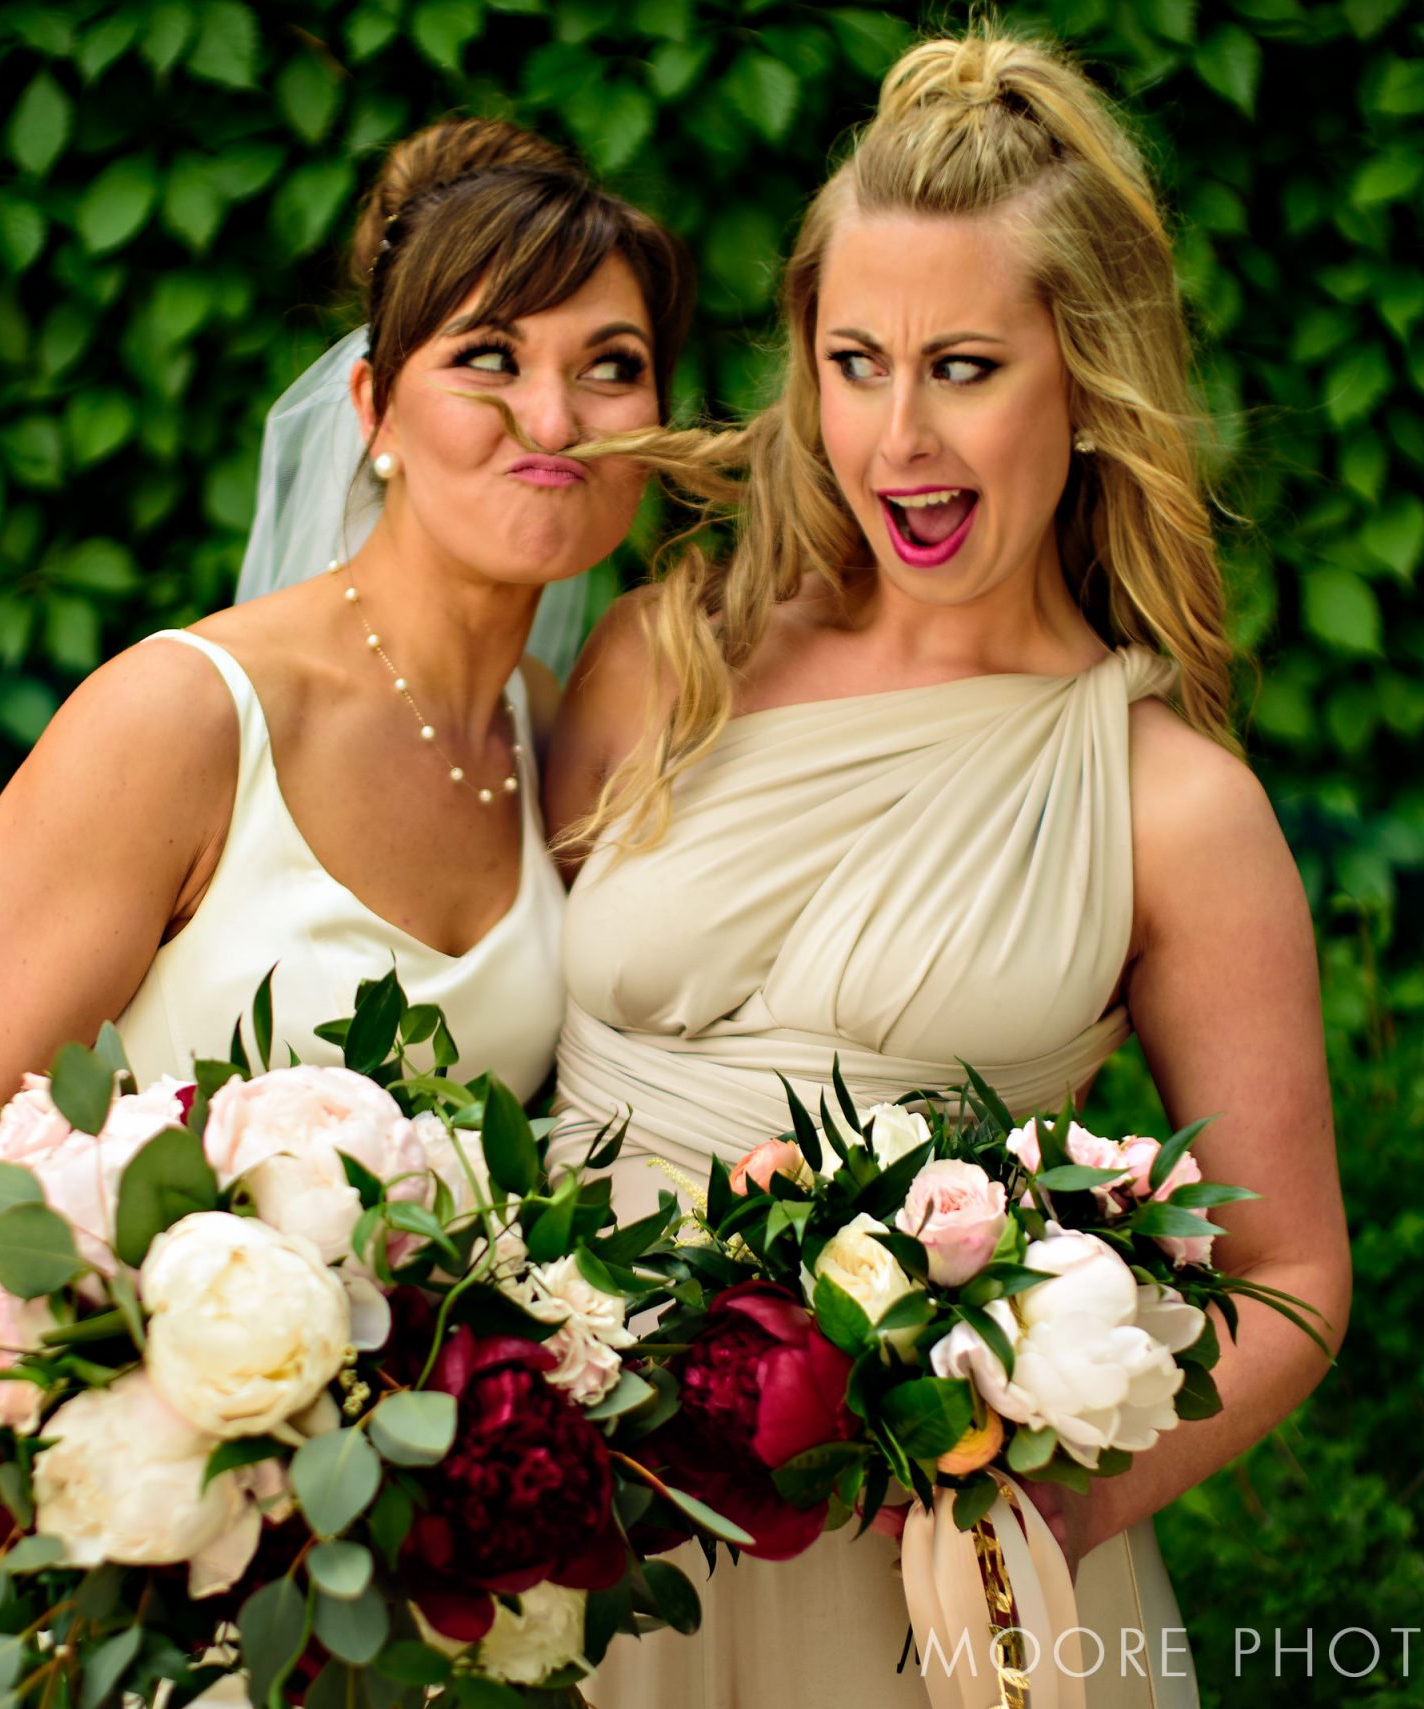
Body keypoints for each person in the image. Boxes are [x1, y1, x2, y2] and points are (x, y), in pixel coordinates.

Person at [546, 29, 1351, 1709]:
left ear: (1087, 375)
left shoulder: (1172, 804)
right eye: (855, 359)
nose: (897, 434)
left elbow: (1293, 1278)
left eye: (965, 366)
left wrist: (1058, 1491)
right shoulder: (664, 655)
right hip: (573, 1522)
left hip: (917, 1583)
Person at [0, 117, 694, 1276]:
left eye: (612, 366)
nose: (555, 421)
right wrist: (158, 1362)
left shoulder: (552, 727)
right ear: (373, 407)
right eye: (489, 357)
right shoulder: (180, 717)